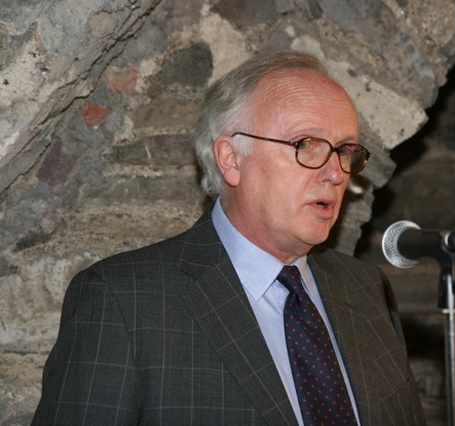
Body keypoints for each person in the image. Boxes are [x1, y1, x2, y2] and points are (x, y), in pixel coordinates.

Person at [32, 50, 425, 425]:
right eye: (306, 144)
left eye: (344, 150)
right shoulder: (123, 300)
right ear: (231, 159)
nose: (336, 173)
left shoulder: (365, 287)